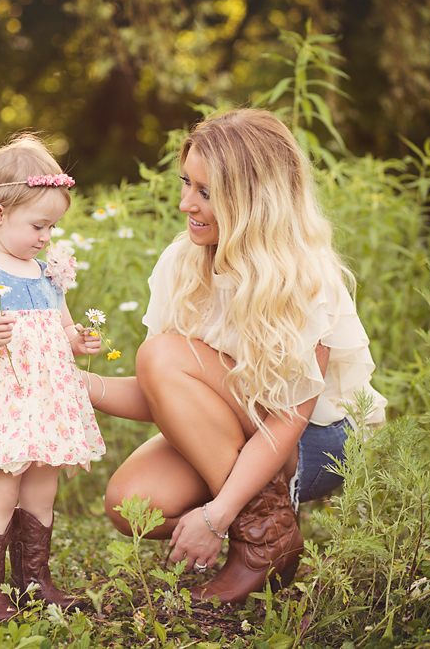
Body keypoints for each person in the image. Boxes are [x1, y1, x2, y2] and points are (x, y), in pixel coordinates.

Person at [85, 109, 387, 605]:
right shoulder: (181, 262)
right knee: (130, 504)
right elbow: (165, 390)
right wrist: (75, 383)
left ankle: (260, 542)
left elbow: (288, 420)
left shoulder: (306, 280)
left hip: (317, 440)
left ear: (253, 199)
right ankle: (266, 527)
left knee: (161, 352)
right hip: (243, 427)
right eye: (186, 183)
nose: (186, 203)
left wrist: (217, 514)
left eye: (205, 192)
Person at [0, 134, 106, 622]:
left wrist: (79, 341)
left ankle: (35, 580)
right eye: (39, 225)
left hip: (46, 404)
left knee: (41, 490)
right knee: (3, 490)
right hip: (0, 405)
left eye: (52, 226)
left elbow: (62, 329)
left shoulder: (46, 273)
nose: (47, 236)